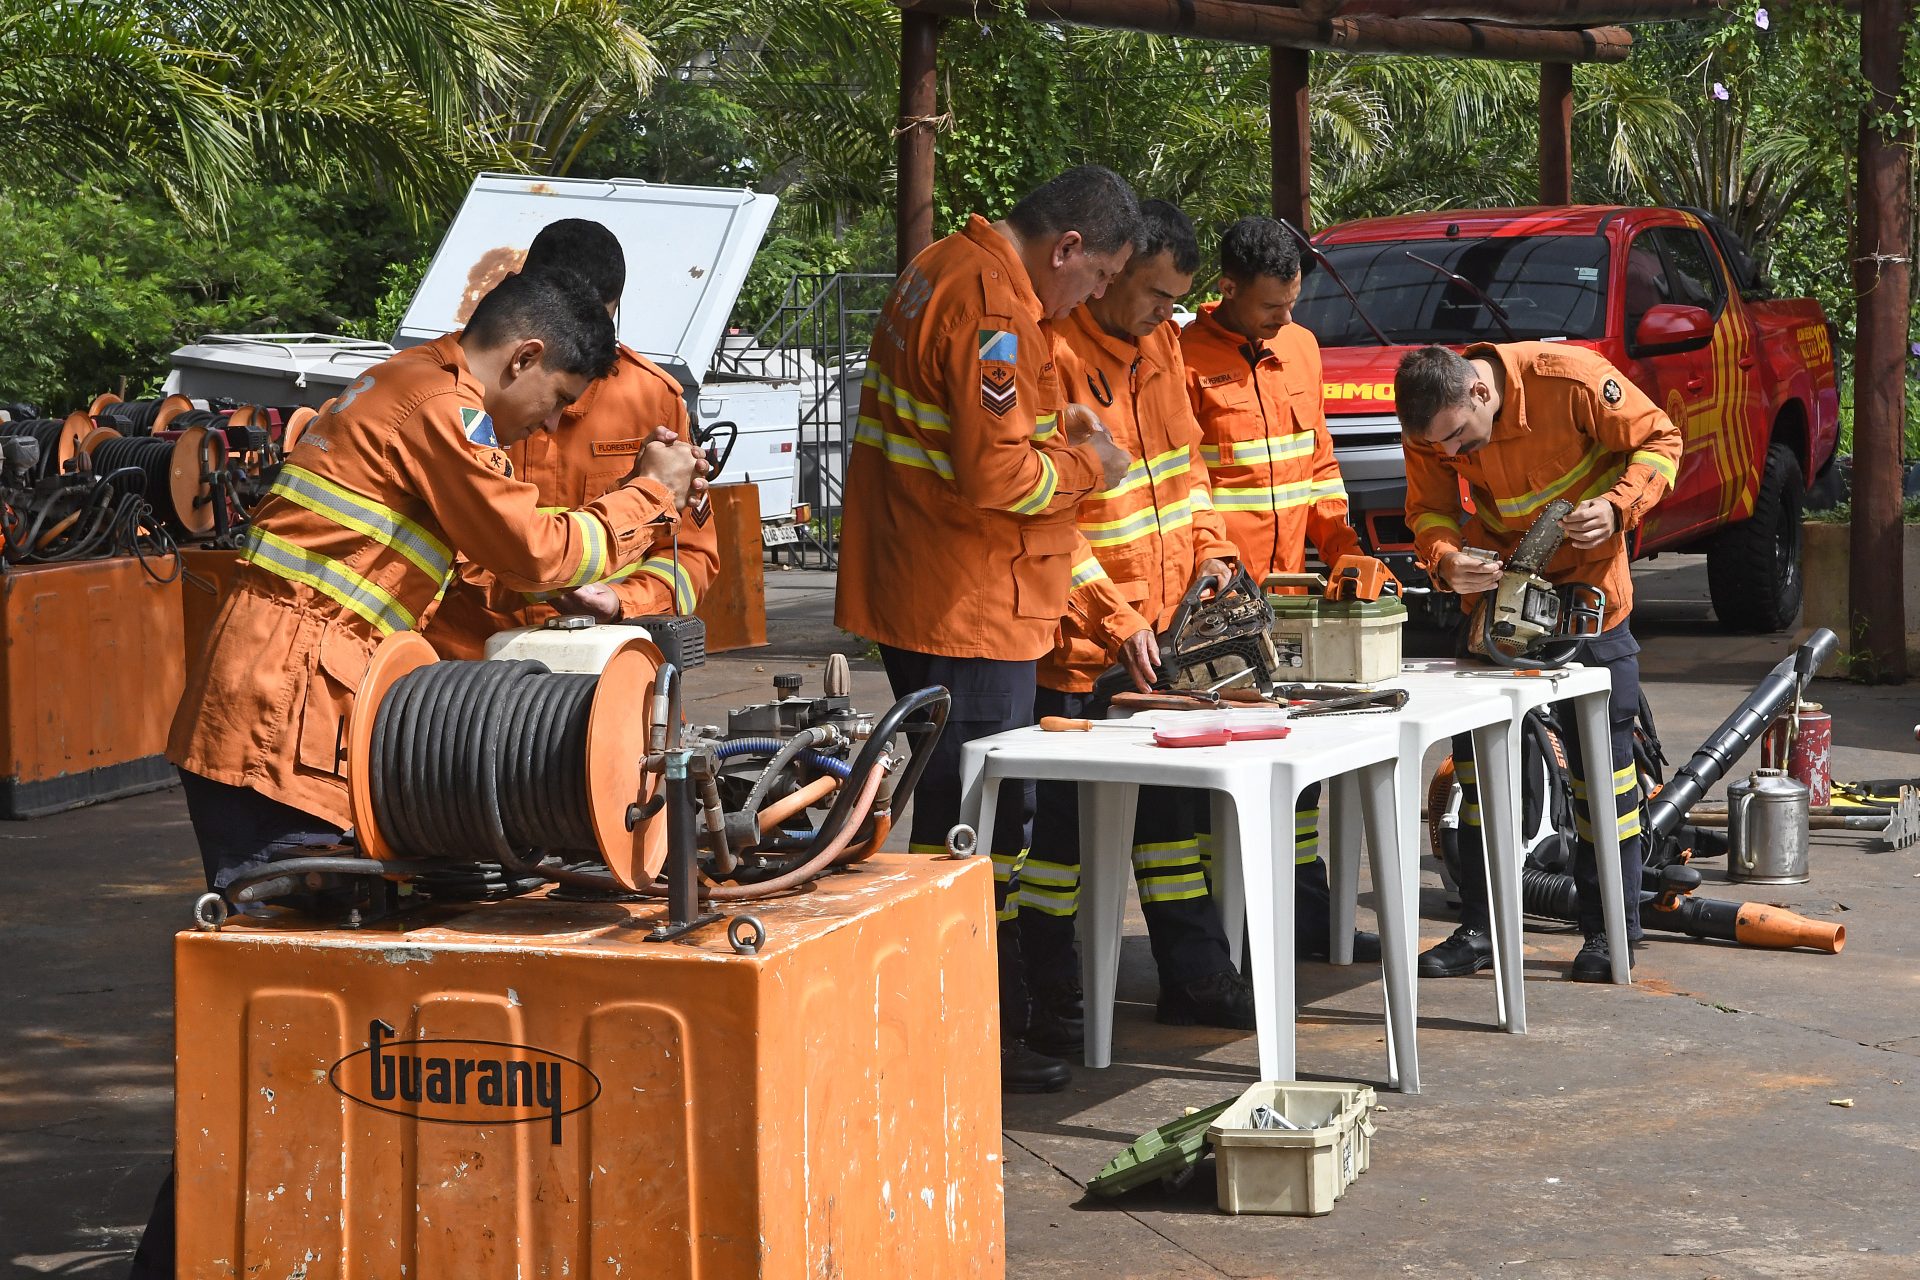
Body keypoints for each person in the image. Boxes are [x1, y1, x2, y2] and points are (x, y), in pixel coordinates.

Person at [130, 270, 705, 1278]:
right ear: (524, 357)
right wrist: (652, 493)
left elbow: (465, 565)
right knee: (285, 1015)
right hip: (281, 724)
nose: (548, 424)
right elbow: (530, 547)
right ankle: (194, 1252)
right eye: (557, 401)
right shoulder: (447, 407)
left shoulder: (401, 383)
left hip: (287, 707)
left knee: (299, 1008)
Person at [835, 165, 1139, 1093]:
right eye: (1093, 281)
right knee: (973, 829)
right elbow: (1001, 478)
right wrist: (1093, 465)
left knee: (960, 816)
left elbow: (988, 434)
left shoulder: (945, 265)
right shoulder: (992, 306)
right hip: (968, 599)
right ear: (1069, 248)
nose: (1086, 301)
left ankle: (958, 1019)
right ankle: (960, 1033)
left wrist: (1062, 429)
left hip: (941, 585)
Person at [1021, 199, 1255, 1053]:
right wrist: (1115, 616)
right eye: (1154, 294)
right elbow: (1055, 519)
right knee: (1056, 849)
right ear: (1113, 274)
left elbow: (1186, 470)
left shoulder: (1160, 347)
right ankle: (1044, 1004)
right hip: (1077, 648)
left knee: (1170, 830)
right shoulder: (1051, 353)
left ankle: (1197, 980)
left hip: (1156, 637)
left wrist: (1213, 552)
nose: (1167, 313)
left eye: (1175, 300)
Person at [1394, 342, 1681, 982]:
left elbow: (1662, 442)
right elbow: (1429, 511)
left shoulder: (1570, 381)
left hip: (1590, 600)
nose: (1454, 457)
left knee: (1603, 778)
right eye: (1441, 448)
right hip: (1503, 612)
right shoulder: (1434, 423)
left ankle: (1611, 930)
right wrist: (1446, 559)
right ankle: (1482, 927)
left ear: (1479, 392)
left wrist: (1615, 508)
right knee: (1484, 775)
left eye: (1460, 441)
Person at [1180, 215, 1378, 963]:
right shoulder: (1181, 361)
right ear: (1226, 290)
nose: (1286, 320)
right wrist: (1219, 568)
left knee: (1299, 773)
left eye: (1293, 303)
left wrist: (1344, 546)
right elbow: (1187, 484)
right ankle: (1225, 937)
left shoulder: (1302, 349)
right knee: (1220, 778)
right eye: (1270, 307)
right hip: (1215, 610)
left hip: (1292, 603)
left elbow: (1318, 461)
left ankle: (1305, 922)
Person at [421, 219, 719, 657]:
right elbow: (525, 554)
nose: (552, 421)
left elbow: (692, 554)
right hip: (461, 671)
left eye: (594, 323)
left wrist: (623, 601)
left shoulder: (652, 396)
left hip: (607, 665)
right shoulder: (450, 391)